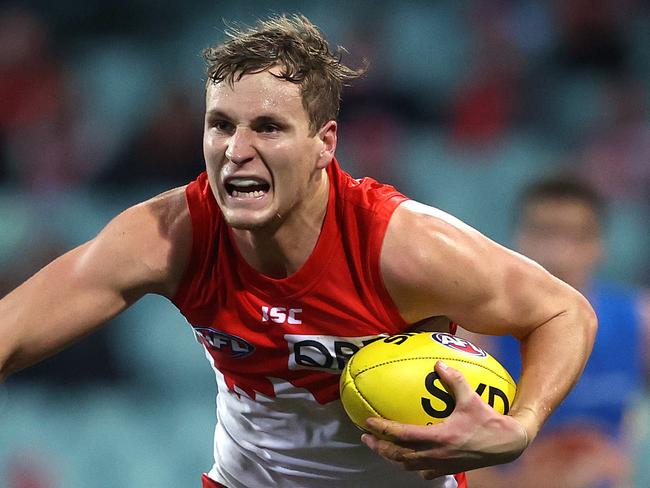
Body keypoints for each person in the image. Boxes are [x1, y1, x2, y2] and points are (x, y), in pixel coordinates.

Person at [0, 15, 597, 488]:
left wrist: (521, 428)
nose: (235, 149)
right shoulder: (171, 233)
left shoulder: (400, 246)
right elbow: (15, 327)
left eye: (267, 126)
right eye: (220, 124)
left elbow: (564, 311)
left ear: (324, 143)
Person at [468, 176, 649, 488]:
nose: (558, 253)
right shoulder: (478, 334)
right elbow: (445, 467)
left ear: (599, 246)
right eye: (544, 233)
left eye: (575, 236)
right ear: (517, 239)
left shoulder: (639, 322)